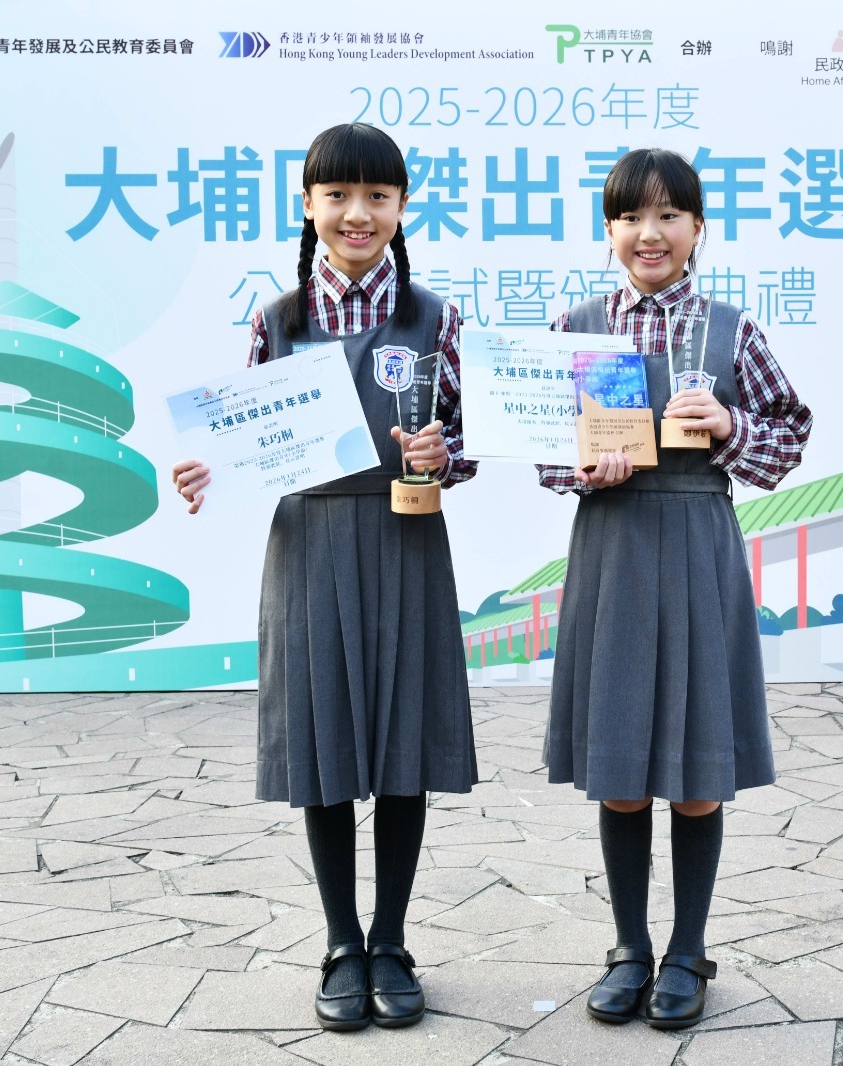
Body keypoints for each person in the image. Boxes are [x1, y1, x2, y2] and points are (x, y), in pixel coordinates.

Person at [172, 123, 477, 1033]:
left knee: (405, 741)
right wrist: (206, 469)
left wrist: (445, 452)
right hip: (308, 546)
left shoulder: (435, 319)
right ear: (308, 205)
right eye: (338, 195)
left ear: (402, 208)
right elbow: (247, 441)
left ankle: (393, 942)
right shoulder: (278, 320)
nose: (357, 214)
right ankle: (343, 943)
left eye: (377, 196)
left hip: (407, 537)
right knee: (325, 742)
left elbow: (470, 438)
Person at [536, 148, 812, 1029]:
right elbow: (543, 450)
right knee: (620, 769)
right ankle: (629, 949)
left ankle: (688, 951)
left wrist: (729, 425)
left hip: (698, 540)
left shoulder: (732, 330)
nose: (648, 234)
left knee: (696, 772)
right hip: (613, 544)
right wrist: (586, 469)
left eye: (667, 216)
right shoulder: (578, 327)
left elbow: (789, 433)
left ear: (698, 227)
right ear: (609, 229)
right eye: (629, 217)